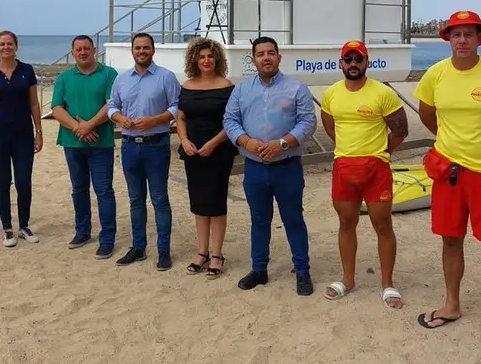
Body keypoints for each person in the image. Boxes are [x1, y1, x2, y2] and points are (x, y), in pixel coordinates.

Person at [413, 11, 481, 345]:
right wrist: (450, 145)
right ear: (448, 39)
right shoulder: (435, 75)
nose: (462, 40)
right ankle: (452, 304)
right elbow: (427, 114)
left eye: (468, 34)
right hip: (447, 172)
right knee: (450, 240)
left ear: (480, 39)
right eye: (456, 34)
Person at [223, 36, 318, 295]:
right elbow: (230, 120)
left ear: (279, 57)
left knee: (293, 219)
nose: (266, 57)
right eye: (261, 54)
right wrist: (247, 142)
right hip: (254, 168)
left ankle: (302, 270)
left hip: (287, 167)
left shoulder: (296, 87)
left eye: (271, 53)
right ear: (252, 60)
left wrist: (282, 144)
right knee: (259, 220)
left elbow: (308, 123)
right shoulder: (241, 90)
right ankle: (259, 270)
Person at [320, 40, 409, 310]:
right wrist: (349, 150)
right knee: (346, 222)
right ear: (341, 63)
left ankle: (387, 283)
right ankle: (348, 280)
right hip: (344, 167)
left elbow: (400, 130)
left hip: (376, 169)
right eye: (348, 59)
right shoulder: (332, 93)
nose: (353, 64)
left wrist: (380, 152)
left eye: (359, 59)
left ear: (367, 63)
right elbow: (330, 126)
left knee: (382, 224)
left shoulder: (382, 93)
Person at [106, 33, 181, 270]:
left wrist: (156, 120)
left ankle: (163, 251)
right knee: (136, 200)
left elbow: (178, 107)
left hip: (156, 145)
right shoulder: (121, 79)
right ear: (132, 51)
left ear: (153, 50)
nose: (142, 51)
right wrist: (120, 118)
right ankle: (138, 247)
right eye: (137, 48)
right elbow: (112, 106)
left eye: (146, 47)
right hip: (129, 146)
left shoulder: (166, 77)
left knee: (159, 199)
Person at [50, 35, 119, 259]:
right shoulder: (64, 77)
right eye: (78, 49)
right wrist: (78, 128)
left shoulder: (109, 74)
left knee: (104, 191)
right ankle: (83, 231)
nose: (82, 52)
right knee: (79, 189)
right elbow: (57, 108)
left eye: (86, 48)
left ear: (94, 50)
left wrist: (89, 125)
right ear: (73, 53)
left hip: (102, 143)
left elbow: (112, 104)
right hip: (72, 143)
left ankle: (107, 238)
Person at [175, 37, 237, 279]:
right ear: (195, 60)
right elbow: (181, 118)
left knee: (216, 203)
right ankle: (202, 252)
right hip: (192, 152)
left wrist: (212, 143)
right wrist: (184, 140)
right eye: (201, 57)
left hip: (219, 151)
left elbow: (231, 122)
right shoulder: (187, 86)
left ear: (217, 59)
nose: (206, 60)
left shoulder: (227, 86)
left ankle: (217, 254)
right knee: (199, 203)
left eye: (210, 56)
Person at [0, 30, 44, 248]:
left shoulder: (27, 71)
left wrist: (39, 132)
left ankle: (24, 225)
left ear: (16, 46)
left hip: (23, 134)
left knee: (24, 182)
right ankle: (7, 228)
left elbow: (34, 103)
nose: (6, 47)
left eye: (9, 44)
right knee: (3, 182)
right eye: (2, 44)